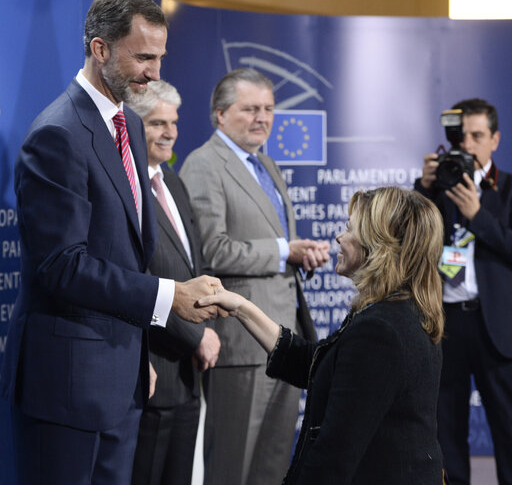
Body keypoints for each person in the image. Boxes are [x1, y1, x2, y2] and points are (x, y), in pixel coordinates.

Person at [0, 0, 223, 485]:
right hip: (66, 387)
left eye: (161, 57)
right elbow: (62, 265)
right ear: (99, 49)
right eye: (143, 56)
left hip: (121, 380)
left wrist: (135, 355)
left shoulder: (131, 127)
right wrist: (170, 296)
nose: (156, 72)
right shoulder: (57, 134)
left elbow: (125, 253)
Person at [198, 186, 445, 484]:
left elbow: (333, 458)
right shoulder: (399, 312)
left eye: (349, 229)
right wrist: (241, 306)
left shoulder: (380, 331)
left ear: (377, 245)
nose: (340, 237)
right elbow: (317, 365)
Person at [180, 68, 330, 485]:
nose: (262, 118)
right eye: (250, 109)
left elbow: (273, 247)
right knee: (233, 465)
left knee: (273, 464)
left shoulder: (265, 163)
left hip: (285, 338)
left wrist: (301, 257)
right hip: (241, 345)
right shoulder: (204, 165)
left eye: (268, 109)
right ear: (220, 114)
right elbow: (212, 249)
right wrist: (285, 251)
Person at [127, 80, 221, 485]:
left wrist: (207, 330)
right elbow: (135, 278)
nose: (169, 132)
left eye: (174, 122)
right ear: (131, 125)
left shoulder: (173, 182)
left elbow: (195, 267)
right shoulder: (126, 189)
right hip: (152, 371)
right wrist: (194, 337)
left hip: (187, 377)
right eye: (157, 123)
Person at [415, 98, 512, 485]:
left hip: (497, 331)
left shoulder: (508, 190)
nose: (468, 145)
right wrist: (421, 189)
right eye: (461, 136)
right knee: (445, 433)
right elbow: (408, 239)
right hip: (445, 325)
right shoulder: (438, 187)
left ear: (495, 139)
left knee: (508, 430)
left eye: (477, 135)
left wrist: (477, 217)